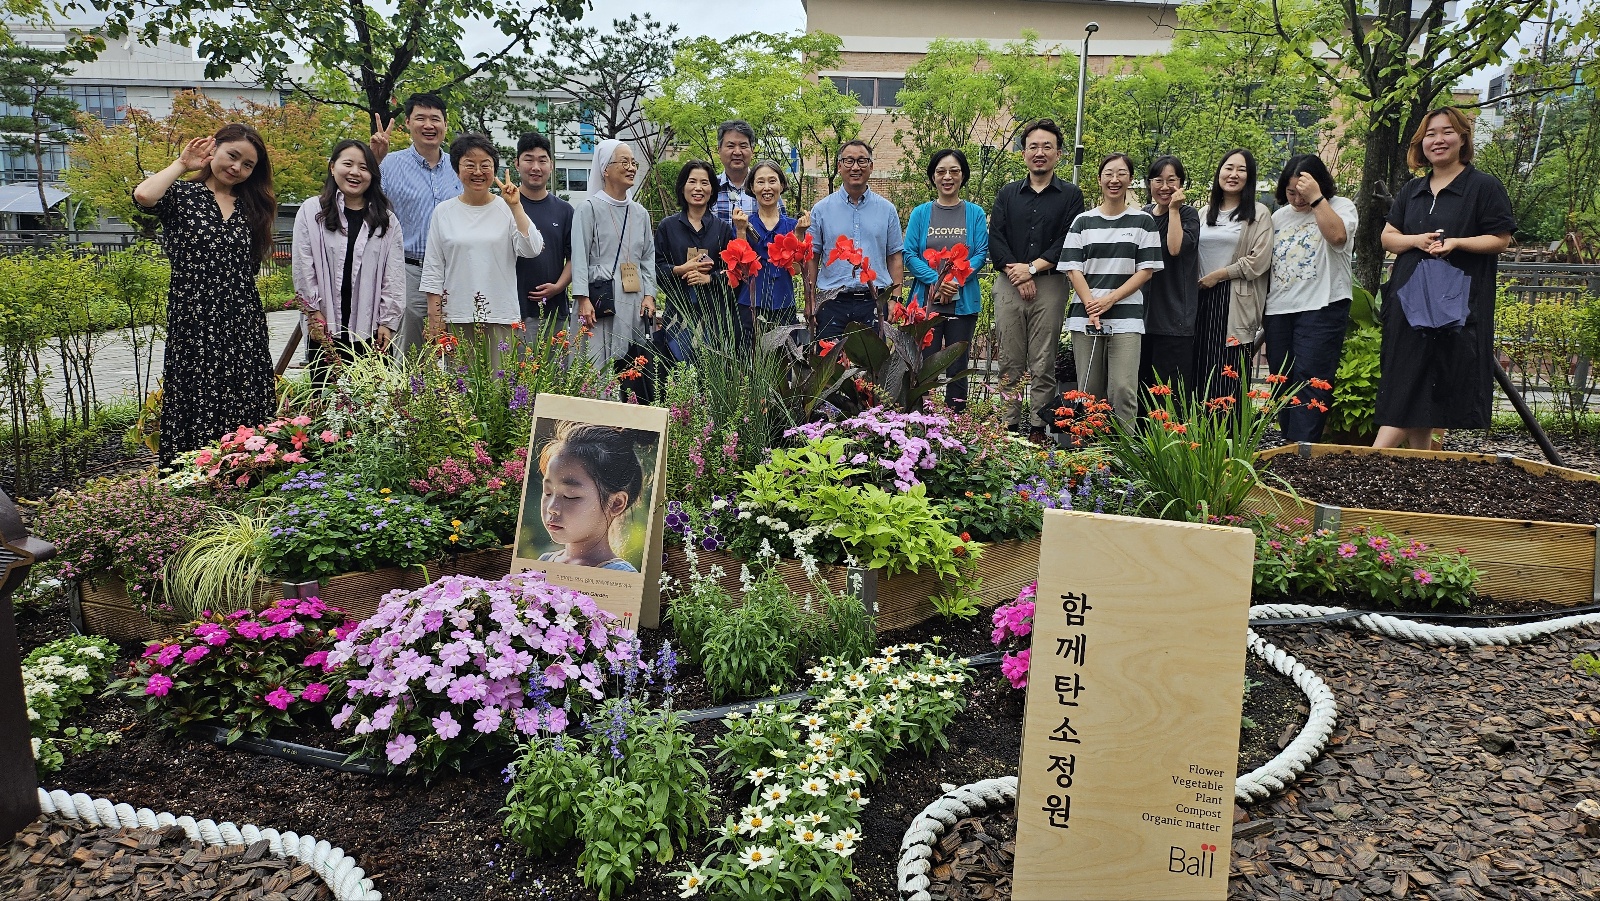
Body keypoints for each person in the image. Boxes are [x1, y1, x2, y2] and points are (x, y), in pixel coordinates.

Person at [133, 123, 276, 467]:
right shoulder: (182, 195)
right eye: (233, 156)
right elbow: (144, 197)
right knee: (195, 393)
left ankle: (246, 471)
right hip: (194, 315)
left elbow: (250, 265)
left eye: (248, 165)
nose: (237, 168)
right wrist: (182, 164)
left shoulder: (252, 208)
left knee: (244, 393)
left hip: (242, 318)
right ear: (214, 149)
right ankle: (193, 476)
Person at [1374, 107, 1515, 449]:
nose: (1438, 140)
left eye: (1446, 132)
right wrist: (1415, 240)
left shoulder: (1483, 187)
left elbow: (1501, 238)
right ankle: (1419, 471)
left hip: (1455, 309)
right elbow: (1388, 236)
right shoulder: (1413, 190)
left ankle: (1372, 459)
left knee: (1425, 387)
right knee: (1411, 384)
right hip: (1409, 304)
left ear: (1463, 138)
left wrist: (1457, 243)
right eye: (1430, 134)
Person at [989, 119, 1085, 442]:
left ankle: (1038, 429)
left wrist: (1032, 269)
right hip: (1009, 282)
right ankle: (1009, 428)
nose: (1039, 153)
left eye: (1047, 147)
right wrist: (1018, 272)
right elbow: (996, 239)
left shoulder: (1071, 195)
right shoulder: (1007, 194)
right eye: (1033, 146)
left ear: (1058, 153)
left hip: (1050, 283)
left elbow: (1068, 239)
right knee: (1009, 361)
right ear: (1024, 152)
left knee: (1043, 362)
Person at [418, 133, 543, 368]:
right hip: (457, 316)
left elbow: (532, 248)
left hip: (500, 316)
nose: (478, 172)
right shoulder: (443, 212)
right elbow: (434, 269)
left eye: (485, 165)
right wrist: (435, 318)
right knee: (459, 392)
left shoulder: (507, 208)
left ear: (494, 170)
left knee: (499, 392)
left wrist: (516, 207)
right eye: (469, 165)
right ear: (457, 169)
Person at [1061, 152, 1164, 429]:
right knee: (1088, 392)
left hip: (1126, 316)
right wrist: (1092, 305)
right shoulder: (1082, 221)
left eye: (1121, 173)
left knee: (1123, 389)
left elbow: (1146, 270)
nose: (1114, 179)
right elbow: (1073, 268)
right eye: (1108, 173)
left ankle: (1123, 454)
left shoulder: (1143, 222)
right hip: (1086, 316)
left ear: (1130, 179)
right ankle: (1090, 455)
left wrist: (1110, 300)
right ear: (1099, 179)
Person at [291, 140, 405, 385]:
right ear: (333, 167)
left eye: (364, 167)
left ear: (372, 175)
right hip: (324, 326)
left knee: (373, 404)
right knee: (327, 399)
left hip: (371, 330)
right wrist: (312, 312)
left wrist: (388, 322)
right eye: (348, 164)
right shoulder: (312, 211)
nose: (355, 172)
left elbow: (393, 275)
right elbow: (303, 265)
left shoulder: (386, 219)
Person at [1264, 154, 1360, 442]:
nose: (1296, 199)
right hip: (1280, 308)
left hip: (1323, 306)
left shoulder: (1341, 206)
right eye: (1291, 192)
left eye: (1302, 192)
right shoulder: (1279, 216)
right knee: (1282, 380)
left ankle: (1301, 450)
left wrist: (1317, 199)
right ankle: (1286, 445)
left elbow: (1338, 237)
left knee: (1312, 379)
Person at [372, 93, 461, 355]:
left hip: (454, 271)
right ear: (408, 123)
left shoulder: (460, 167)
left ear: (445, 124)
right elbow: (365, 204)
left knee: (460, 349)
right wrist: (373, 161)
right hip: (410, 271)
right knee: (410, 352)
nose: (428, 125)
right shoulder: (389, 164)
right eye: (420, 118)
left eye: (435, 119)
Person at [903, 148, 990, 411]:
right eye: (941, 171)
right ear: (933, 177)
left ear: (963, 176)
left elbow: (980, 253)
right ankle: (919, 422)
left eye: (954, 171)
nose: (947, 177)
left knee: (957, 368)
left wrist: (953, 282)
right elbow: (909, 254)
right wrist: (937, 281)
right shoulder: (921, 213)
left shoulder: (974, 213)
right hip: (926, 304)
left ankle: (956, 424)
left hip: (963, 302)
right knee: (923, 366)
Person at [803, 140, 904, 342]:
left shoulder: (887, 210)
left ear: (871, 166)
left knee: (872, 370)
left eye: (862, 161)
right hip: (832, 303)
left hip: (874, 302)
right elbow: (812, 257)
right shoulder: (821, 210)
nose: (855, 167)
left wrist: (895, 299)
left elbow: (895, 257)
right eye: (849, 161)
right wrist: (809, 299)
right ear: (839, 166)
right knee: (829, 367)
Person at [573, 139, 658, 379]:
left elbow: (648, 258)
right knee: (595, 365)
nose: (631, 167)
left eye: (633, 162)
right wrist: (582, 299)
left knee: (630, 367)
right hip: (599, 298)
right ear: (605, 169)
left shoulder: (640, 213)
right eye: (624, 162)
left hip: (633, 299)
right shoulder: (588, 208)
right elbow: (579, 256)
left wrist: (650, 295)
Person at [1195, 149, 1274, 401]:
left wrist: (1219, 275)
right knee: (1199, 373)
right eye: (1228, 167)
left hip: (1234, 302)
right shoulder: (1203, 213)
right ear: (1219, 172)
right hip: (1200, 299)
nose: (1233, 174)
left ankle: (1229, 438)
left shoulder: (1258, 213)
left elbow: (1258, 261)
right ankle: (1199, 439)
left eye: (1241, 169)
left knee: (1229, 374)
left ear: (1249, 177)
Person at [536, 422, 649, 573]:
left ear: (616, 503)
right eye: (548, 492)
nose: (551, 508)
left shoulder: (619, 575)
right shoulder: (544, 561)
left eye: (570, 496)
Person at [655, 159, 735, 349]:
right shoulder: (668, 226)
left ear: (712, 190)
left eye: (704, 183)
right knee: (678, 372)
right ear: (683, 187)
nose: (698, 188)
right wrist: (680, 269)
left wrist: (709, 279)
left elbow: (733, 273)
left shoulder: (722, 229)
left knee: (709, 373)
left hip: (713, 317)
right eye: (692, 182)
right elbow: (655, 269)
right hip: (677, 316)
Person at [1140, 155, 1201, 397]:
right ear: (1149, 183)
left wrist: (1173, 209)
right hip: (1142, 317)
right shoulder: (1143, 215)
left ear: (1181, 183)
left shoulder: (1188, 215)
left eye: (1171, 180)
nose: (1164, 187)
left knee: (1169, 395)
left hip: (1174, 318)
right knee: (1142, 392)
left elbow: (1175, 248)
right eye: (1158, 180)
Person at [732, 159, 810, 346]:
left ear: (781, 185)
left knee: (783, 364)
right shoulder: (743, 223)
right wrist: (741, 231)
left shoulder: (792, 225)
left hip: (784, 304)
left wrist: (799, 234)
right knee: (749, 364)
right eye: (760, 182)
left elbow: (797, 269)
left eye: (772, 181)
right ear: (752, 186)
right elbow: (742, 269)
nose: (767, 187)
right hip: (750, 305)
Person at [513, 131, 575, 337]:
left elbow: (575, 257)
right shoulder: (504, 206)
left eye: (542, 160)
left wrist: (558, 287)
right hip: (514, 311)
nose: (536, 167)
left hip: (555, 311)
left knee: (557, 369)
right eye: (528, 160)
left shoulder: (565, 210)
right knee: (516, 368)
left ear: (551, 165)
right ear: (516, 164)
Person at [713, 120, 762, 228]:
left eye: (743, 146)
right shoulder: (710, 188)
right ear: (719, 150)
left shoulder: (766, 188)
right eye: (730, 146)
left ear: (752, 151)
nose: (737, 152)